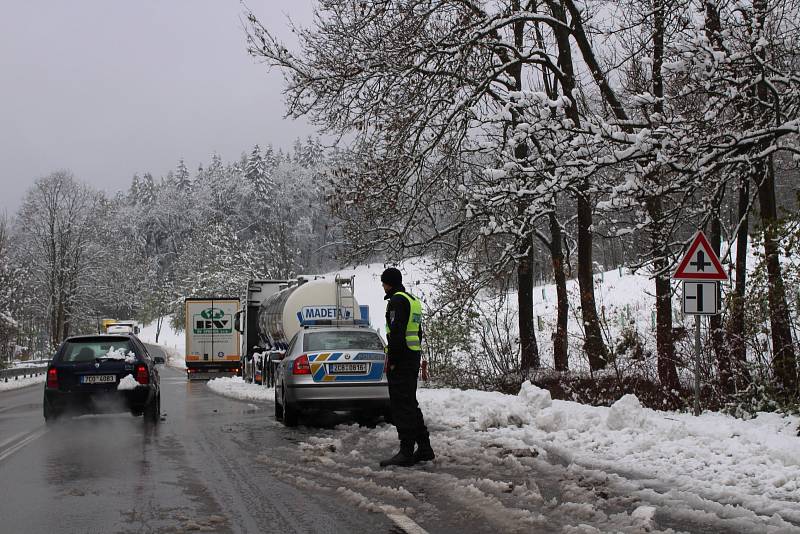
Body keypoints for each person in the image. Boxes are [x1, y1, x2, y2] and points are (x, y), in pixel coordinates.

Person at [379, 267, 435, 467]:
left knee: (401, 406)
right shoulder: (412, 300)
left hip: (401, 361)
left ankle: (406, 451)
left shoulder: (396, 301)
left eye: (384, 283)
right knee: (410, 403)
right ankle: (425, 447)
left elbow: (396, 333)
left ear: (390, 283)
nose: (383, 286)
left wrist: (393, 361)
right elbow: (417, 333)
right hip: (412, 357)